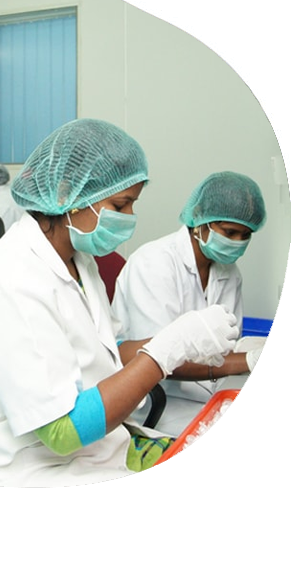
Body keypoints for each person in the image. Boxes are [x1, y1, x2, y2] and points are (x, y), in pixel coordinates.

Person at [0, 119, 240, 487]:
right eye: (120, 204)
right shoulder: (11, 280)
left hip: (93, 447)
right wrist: (167, 349)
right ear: (65, 194)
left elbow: (107, 348)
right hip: (20, 466)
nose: (129, 218)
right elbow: (62, 431)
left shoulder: (78, 260)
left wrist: (183, 339)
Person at [112, 171, 267, 434]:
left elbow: (226, 346)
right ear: (200, 219)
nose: (237, 243)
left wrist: (245, 355)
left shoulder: (229, 272)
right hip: (160, 403)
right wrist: (249, 360)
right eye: (229, 232)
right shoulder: (154, 263)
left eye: (245, 235)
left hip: (212, 392)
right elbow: (161, 357)